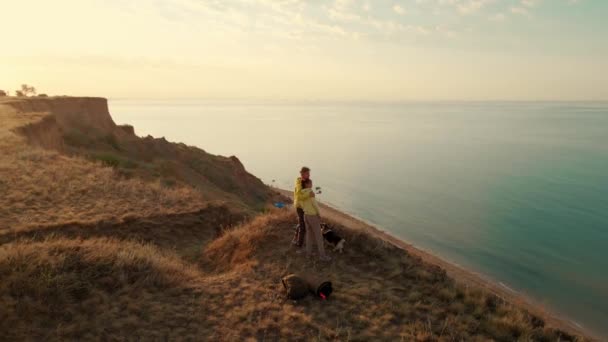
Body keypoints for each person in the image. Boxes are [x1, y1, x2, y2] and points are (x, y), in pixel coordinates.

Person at [300, 178, 331, 261]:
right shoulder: (310, 193)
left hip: (305, 215)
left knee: (309, 236)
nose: (312, 185)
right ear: (306, 184)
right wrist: (319, 214)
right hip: (313, 216)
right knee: (319, 237)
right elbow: (315, 205)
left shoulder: (301, 193)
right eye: (310, 183)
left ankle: (308, 254)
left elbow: (301, 204)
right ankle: (322, 256)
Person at [293, 166, 313, 247]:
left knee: (302, 223)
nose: (309, 175)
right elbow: (299, 196)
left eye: (309, 173)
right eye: (307, 173)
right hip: (300, 207)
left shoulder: (305, 181)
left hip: (303, 206)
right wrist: (309, 195)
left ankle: (295, 238)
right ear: (302, 174)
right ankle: (299, 244)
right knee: (303, 226)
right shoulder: (299, 183)